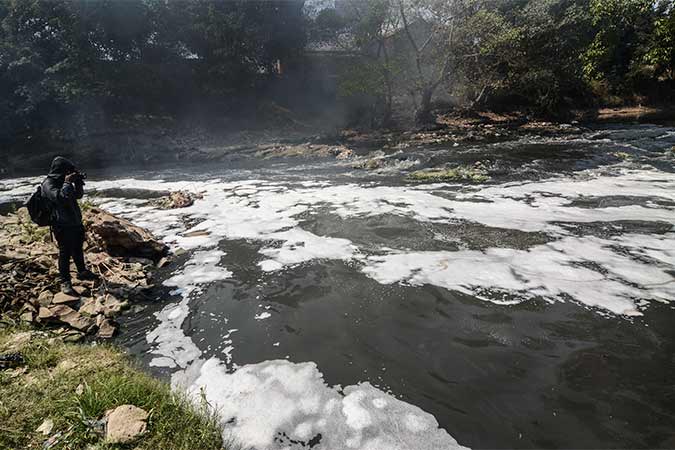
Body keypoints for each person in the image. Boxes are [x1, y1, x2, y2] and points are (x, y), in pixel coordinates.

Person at [42, 156, 97, 295]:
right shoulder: (49, 183)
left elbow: (77, 196)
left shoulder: (63, 181)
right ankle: (65, 281)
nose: (68, 174)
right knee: (65, 252)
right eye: (67, 171)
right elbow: (60, 198)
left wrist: (78, 183)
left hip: (74, 221)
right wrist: (67, 183)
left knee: (78, 248)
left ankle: (82, 271)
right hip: (61, 224)